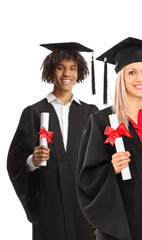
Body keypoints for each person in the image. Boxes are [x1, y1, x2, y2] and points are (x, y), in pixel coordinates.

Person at [77, 37, 142, 240]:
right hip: (124, 224)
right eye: (132, 72)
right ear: (120, 78)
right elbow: (86, 179)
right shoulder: (100, 122)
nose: (140, 78)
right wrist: (111, 169)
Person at [7, 42, 99, 240]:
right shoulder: (34, 112)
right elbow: (14, 161)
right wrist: (33, 160)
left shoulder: (90, 113)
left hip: (82, 207)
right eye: (60, 68)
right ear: (51, 71)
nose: (67, 74)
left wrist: (100, 214)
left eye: (72, 68)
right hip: (49, 206)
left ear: (79, 72)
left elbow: (100, 164)